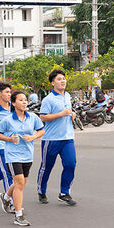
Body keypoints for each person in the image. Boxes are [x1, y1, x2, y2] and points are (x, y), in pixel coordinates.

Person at [0, 91, 45, 226]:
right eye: (21, 100)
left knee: (21, 183)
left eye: (25, 100)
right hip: (12, 155)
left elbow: (42, 130)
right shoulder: (8, 120)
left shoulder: (33, 117)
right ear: (13, 103)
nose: (24, 102)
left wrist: (33, 137)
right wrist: (10, 139)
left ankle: (6, 198)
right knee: (19, 183)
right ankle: (18, 215)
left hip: (27, 155)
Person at [37, 69, 78, 206]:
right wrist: (61, 114)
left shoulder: (67, 96)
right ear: (53, 83)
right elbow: (43, 117)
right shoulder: (48, 99)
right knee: (46, 167)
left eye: (64, 79)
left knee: (71, 164)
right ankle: (41, 191)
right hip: (51, 139)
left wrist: (72, 114)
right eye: (59, 79)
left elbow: (68, 111)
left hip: (67, 138)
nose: (63, 81)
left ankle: (64, 192)